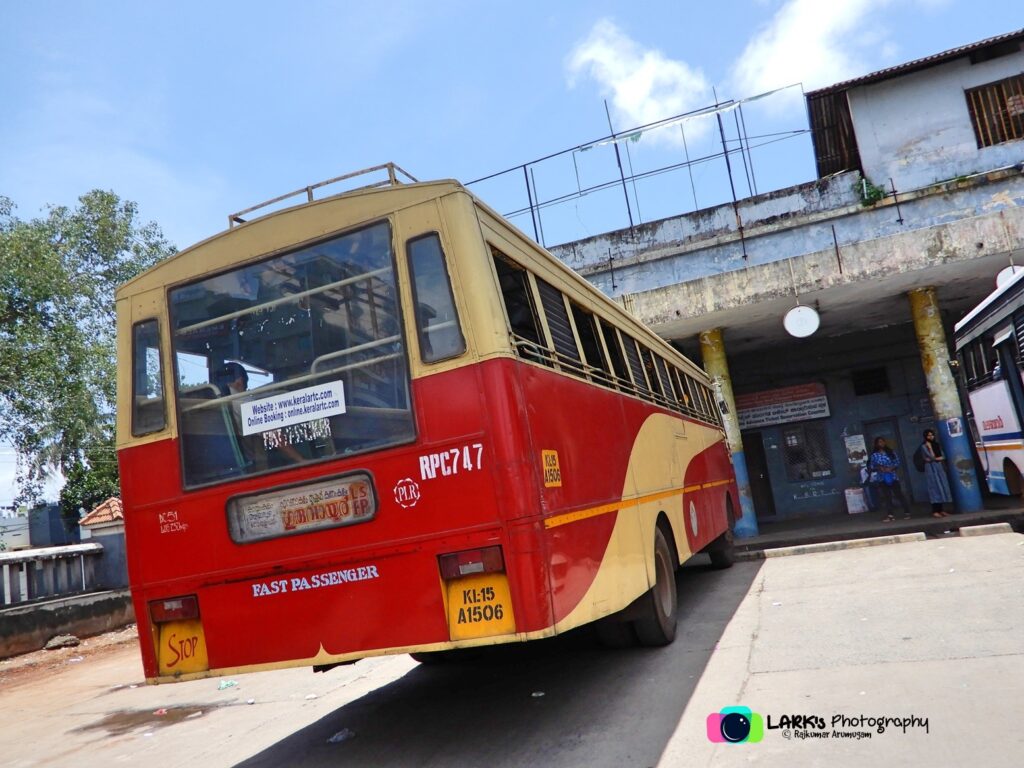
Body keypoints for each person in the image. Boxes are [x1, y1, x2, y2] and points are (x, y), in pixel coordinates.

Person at [868, 437, 912, 522]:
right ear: (876, 444)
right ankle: (890, 515)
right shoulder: (874, 455)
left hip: (893, 476)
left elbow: (897, 462)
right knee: (887, 497)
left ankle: (907, 512)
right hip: (882, 478)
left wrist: (891, 468)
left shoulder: (891, 452)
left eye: (882, 442)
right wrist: (879, 467)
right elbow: (871, 466)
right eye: (879, 442)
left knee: (899, 495)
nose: (881, 443)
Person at [921, 429, 952, 518]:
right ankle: (935, 510)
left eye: (932, 435)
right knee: (934, 488)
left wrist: (935, 458)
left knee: (941, 487)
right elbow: (932, 457)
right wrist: (930, 448)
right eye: (928, 436)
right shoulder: (924, 446)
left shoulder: (937, 445)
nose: (931, 437)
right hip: (931, 469)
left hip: (938, 468)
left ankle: (941, 510)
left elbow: (943, 456)